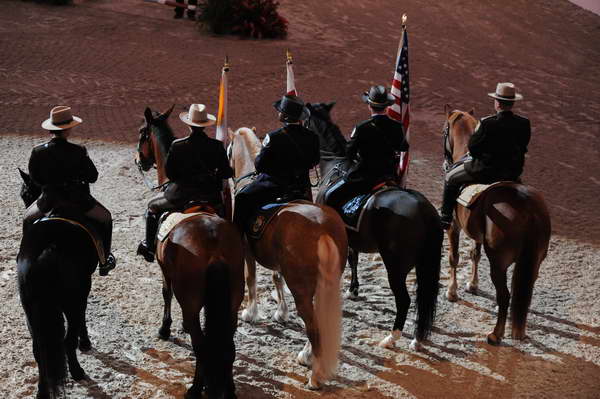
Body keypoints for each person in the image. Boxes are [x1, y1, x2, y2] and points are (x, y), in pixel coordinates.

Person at [24, 106, 116, 276]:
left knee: (27, 219)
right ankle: (104, 260)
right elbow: (93, 176)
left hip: (48, 202)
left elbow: (35, 179)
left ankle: (25, 257)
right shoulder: (78, 151)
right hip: (78, 201)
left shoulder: (37, 151)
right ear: (68, 129)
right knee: (106, 218)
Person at [137, 103, 233, 262]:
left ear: (189, 125)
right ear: (204, 126)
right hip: (211, 197)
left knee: (152, 207)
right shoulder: (216, 146)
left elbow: (171, 174)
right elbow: (226, 173)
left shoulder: (178, 145)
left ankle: (149, 247)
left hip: (181, 197)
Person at [439, 82, 531, 229]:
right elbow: (523, 146)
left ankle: (445, 217)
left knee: (450, 176)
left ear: (497, 104)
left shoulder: (487, 123)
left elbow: (473, 147)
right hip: (512, 173)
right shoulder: (524, 123)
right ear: (512, 103)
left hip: (485, 172)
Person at [233, 94, 320, 232]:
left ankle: (236, 237)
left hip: (274, 187)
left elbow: (260, 165)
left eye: (280, 111)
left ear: (284, 116)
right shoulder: (312, 137)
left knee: (242, 198)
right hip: (301, 188)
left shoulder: (273, 137)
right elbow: (315, 160)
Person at [326, 85, 409, 208]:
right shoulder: (397, 126)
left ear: (370, 106)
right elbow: (403, 147)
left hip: (365, 179)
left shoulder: (362, 127)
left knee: (330, 196)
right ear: (387, 106)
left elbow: (349, 153)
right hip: (389, 176)